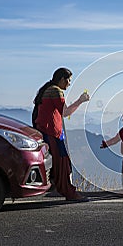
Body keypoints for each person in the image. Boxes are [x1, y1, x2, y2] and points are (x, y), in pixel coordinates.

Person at [33, 67, 89, 201]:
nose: (69, 84)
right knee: (62, 162)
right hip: (52, 132)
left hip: (47, 131)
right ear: (62, 79)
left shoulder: (47, 89)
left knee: (59, 162)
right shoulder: (56, 91)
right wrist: (81, 100)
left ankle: (60, 188)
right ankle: (68, 192)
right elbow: (66, 112)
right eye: (69, 80)